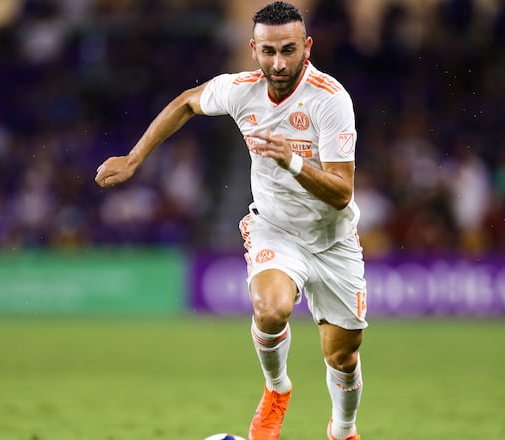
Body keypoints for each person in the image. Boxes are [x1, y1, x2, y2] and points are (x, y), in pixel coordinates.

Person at [95, 2, 366, 439]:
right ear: (253, 49)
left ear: (307, 47)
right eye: (269, 51)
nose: (279, 63)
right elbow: (186, 103)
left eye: (289, 50)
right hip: (275, 228)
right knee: (272, 308)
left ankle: (343, 429)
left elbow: (342, 192)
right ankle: (277, 389)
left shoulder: (330, 100)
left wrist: (293, 162)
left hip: (333, 240)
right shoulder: (241, 89)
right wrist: (134, 157)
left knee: (343, 357)